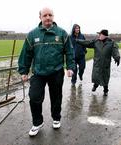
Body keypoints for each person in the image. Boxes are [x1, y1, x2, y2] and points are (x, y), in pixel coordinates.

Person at [18, 7, 75, 136]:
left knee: (56, 97)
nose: (48, 17)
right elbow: (26, 54)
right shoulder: (32, 35)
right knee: (34, 97)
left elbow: (69, 52)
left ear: (53, 17)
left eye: (50, 15)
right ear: (40, 18)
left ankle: (56, 118)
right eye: (45, 15)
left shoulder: (62, 33)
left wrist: (70, 67)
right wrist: (24, 71)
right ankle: (37, 122)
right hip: (38, 72)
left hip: (56, 72)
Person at [76, 29, 120, 96]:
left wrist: (117, 57)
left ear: (104, 35)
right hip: (97, 63)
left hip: (105, 64)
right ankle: (95, 86)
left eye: (100, 34)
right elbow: (87, 42)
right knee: (96, 76)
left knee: (105, 78)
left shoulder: (111, 43)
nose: (99, 35)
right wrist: (78, 41)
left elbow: (115, 51)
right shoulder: (96, 42)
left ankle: (105, 90)